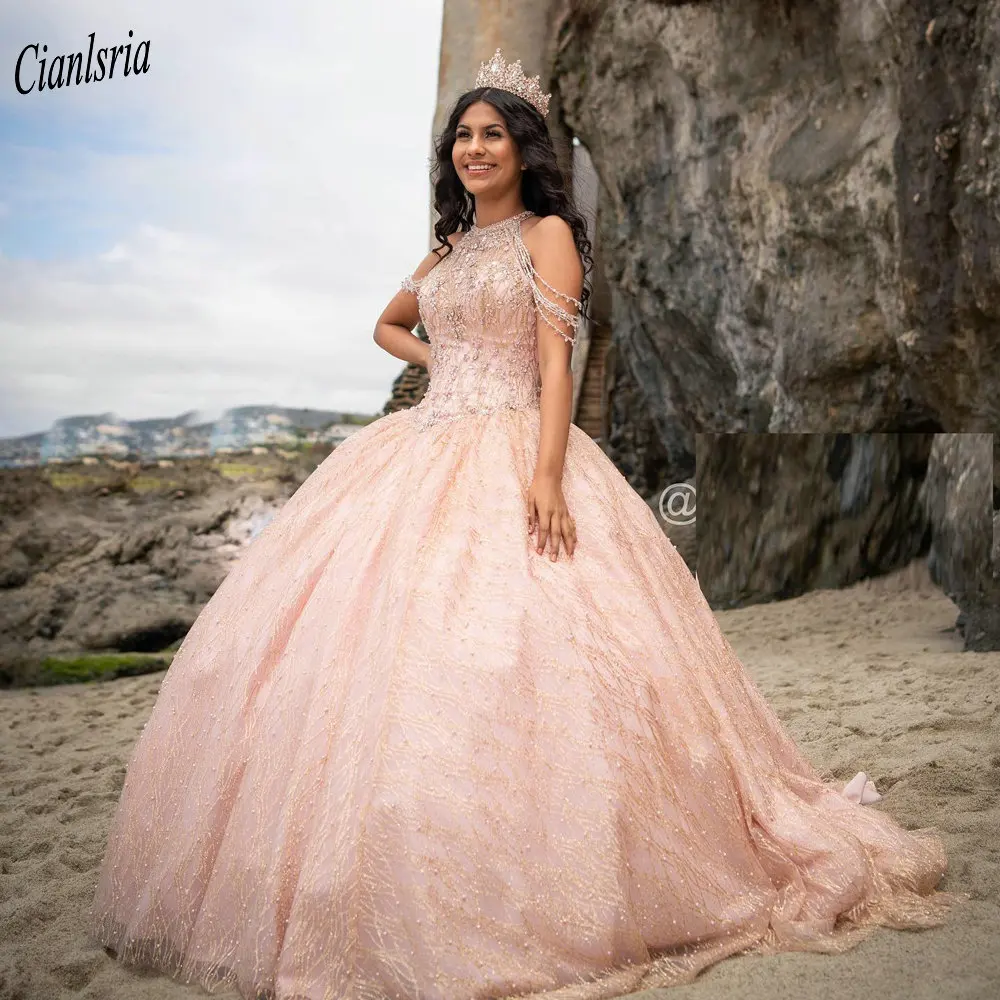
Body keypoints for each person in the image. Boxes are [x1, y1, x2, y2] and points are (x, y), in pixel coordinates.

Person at [90, 48, 965, 1000]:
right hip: (426, 440)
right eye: (462, 136)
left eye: (491, 134)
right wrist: (445, 358)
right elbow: (384, 322)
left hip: (516, 444)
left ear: (522, 148)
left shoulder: (548, 234)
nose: (474, 149)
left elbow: (556, 365)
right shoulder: (453, 249)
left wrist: (546, 474)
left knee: (532, 643)